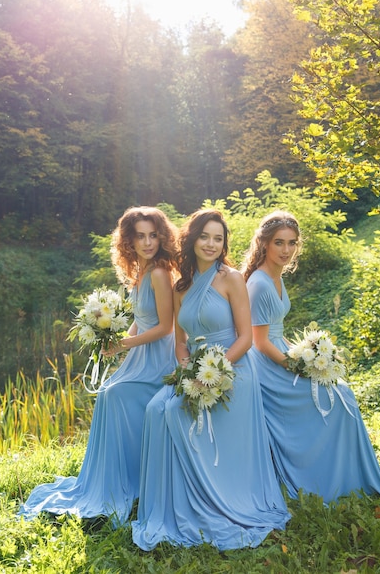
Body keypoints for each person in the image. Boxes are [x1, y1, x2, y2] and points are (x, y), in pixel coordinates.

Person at [131, 209, 291, 551]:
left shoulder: (231, 278)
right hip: (195, 369)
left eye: (218, 238)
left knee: (176, 413)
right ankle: (169, 503)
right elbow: (180, 340)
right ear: (192, 240)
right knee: (157, 409)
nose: (211, 244)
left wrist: (215, 373)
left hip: (233, 369)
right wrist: (188, 369)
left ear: (224, 244)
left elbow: (246, 339)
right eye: (205, 236)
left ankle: (215, 497)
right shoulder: (180, 285)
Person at [19, 206, 178, 526]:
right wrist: (116, 342)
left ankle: (129, 481)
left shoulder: (160, 273)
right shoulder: (139, 274)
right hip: (140, 353)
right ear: (129, 242)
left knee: (116, 394)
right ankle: (107, 479)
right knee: (107, 392)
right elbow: (140, 320)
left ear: (161, 237)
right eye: (140, 236)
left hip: (160, 357)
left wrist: (124, 344)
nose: (148, 243)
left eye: (153, 235)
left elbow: (165, 326)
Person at [243, 209, 380, 504]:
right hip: (266, 368)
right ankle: (323, 478)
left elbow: (277, 332)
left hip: (281, 354)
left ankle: (347, 475)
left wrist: (309, 353)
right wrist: (297, 367)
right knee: (337, 399)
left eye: (292, 243)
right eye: (279, 243)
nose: (286, 250)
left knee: (342, 395)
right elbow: (260, 342)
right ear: (264, 243)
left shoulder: (276, 277)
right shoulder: (259, 283)